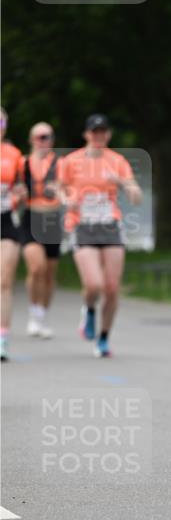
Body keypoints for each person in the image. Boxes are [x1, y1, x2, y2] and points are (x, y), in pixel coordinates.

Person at [58, 114, 142, 357]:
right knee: (94, 284)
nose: (99, 136)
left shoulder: (117, 161)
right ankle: (89, 310)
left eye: (103, 132)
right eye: (94, 132)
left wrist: (123, 183)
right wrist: (68, 200)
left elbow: (136, 197)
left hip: (110, 225)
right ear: (86, 134)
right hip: (82, 225)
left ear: (108, 134)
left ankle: (103, 338)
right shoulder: (70, 161)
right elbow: (59, 190)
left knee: (112, 287)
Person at [21, 122, 62, 339]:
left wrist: (62, 190)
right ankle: (33, 311)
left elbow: (71, 188)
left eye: (47, 137)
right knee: (36, 267)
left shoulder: (60, 164)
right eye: (39, 137)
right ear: (31, 140)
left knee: (48, 272)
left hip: (53, 219)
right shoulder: (23, 163)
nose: (43, 141)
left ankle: (42, 316)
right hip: (31, 216)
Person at [1, 107, 28, 362]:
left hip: (6, 220)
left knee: (5, 280)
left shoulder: (14, 155)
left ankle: (2, 339)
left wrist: (21, 193)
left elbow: (22, 185)